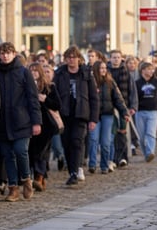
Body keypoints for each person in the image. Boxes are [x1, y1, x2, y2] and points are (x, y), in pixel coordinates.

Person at [0, 43, 41, 202]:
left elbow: (33, 98)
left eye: (8, 52)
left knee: (21, 151)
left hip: (22, 120)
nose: (5, 55)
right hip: (2, 121)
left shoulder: (23, 72)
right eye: (2, 53)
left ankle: (26, 179)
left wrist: (36, 122)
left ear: (14, 54)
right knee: (7, 155)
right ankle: (13, 188)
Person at [53, 46, 98, 186]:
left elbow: (93, 97)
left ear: (79, 58)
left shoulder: (86, 74)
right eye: (68, 57)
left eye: (73, 57)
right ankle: (72, 170)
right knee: (67, 143)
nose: (71, 60)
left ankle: (75, 172)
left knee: (77, 141)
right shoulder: (60, 73)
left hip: (81, 113)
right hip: (65, 114)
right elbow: (54, 93)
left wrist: (93, 119)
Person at [88, 60, 129, 174]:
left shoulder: (110, 82)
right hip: (94, 116)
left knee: (106, 142)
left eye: (105, 68)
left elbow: (118, 99)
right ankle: (92, 164)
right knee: (93, 139)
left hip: (107, 114)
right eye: (101, 68)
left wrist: (124, 112)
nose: (104, 70)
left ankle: (104, 165)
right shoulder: (90, 82)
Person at [28, 62, 61, 190]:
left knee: (41, 152)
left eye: (36, 70)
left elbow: (57, 105)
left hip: (46, 124)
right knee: (31, 151)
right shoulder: (26, 86)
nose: (33, 73)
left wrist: (45, 99)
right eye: (31, 70)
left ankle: (39, 177)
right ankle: (37, 177)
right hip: (30, 123)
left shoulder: (49, 87)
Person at [107, 50, 138, 166]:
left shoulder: (126, 72)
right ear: (110, 59)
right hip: (109, 107)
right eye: (114, 57)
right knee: (112, 133)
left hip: (124, 106)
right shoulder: (106, 72)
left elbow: (132, 90)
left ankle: (123, 157)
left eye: (118, 57)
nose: (116, 59)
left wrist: (133, 106)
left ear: (121, 59)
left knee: (122, 132)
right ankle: (113, 158)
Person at [135, 61, 157, 162]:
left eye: (152, 69)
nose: (151, 71)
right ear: (142, 70)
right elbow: (134, 96)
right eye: (148, 69)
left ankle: (150, 152)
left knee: (151, 133)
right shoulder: (137, 83)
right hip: (140, 111)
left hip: (153, 111)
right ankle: (146, 154)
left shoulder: (156, 82)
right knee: (141, 135)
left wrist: (156, 103)